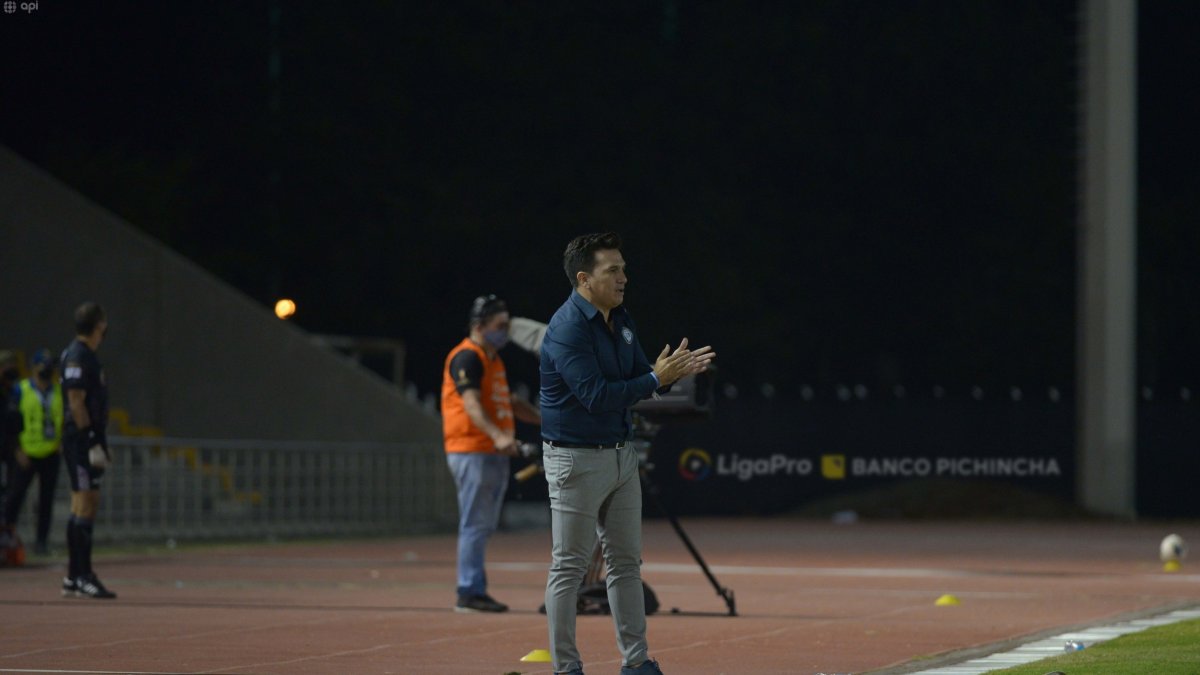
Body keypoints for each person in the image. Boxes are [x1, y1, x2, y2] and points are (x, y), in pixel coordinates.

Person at [539, 232, 715, 675]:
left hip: (620, 456)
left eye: (623, 268)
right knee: (570, 569)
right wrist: (656, 378)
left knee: (625, 564)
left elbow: (639, 376)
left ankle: (637, 664)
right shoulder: (566, 328)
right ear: (584, 278)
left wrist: (670, 371)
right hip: (575, 460)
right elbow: (598, 396)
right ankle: (567, 668)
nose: (624, 278)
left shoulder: (620, 318)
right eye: (612, 270)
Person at [441, 294, 541, 612]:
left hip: (490, 452)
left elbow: (508, 401)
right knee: (475, 523)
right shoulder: (467, 357)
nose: (506, 332)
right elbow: (471, 403)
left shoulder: (492, 359)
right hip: (472, 450)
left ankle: (474, 589)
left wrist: (546, 419)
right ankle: (468, 592)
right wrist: (499, 436)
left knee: (483, 523)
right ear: (480, 326)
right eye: (500, 326)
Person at [59, 302, 116, 599]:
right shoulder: (80, 356)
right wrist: (92, 439)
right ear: (99, 325)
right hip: (79, 439)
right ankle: (83, 574)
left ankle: (73, 575)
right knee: (86, 502)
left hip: (84, 437)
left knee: (81, 503)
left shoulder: (81, 354)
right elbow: (76, 400)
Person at [3, 348, 64, 556]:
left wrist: (61, 442)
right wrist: (17, 450)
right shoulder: (21, 390)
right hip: (26, 454)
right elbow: (10, 424)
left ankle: (41, 542)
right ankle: (6, 537)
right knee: (15, 498)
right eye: (44, 365)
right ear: (34, 367)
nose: (49, 370)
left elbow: (63, 418)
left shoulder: (57, 391)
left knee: (46, 501)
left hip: (50, 453)